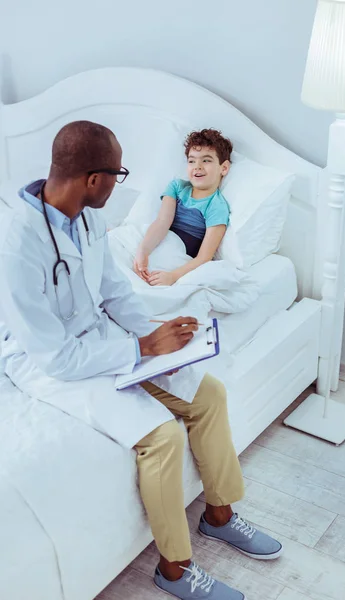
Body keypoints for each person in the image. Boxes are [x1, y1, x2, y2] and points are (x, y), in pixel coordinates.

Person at [0, 121, 282, 600]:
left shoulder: (87, 218)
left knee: (206, 391)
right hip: (47, 362)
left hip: (98, 339)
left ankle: (219, 516)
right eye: (117, 174)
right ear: (93, 179)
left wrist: (155, 336)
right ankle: (174, 568)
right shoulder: (17, 243)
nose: (118, 183)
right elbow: (57, 356)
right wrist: (142, 350)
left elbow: (113, 292)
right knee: (162, 436)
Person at [134, 128, 231, 287]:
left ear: (224, 168)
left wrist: (173, 276)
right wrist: (142, 251)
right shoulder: (177, 187)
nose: (197, 166)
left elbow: (204, 257)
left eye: (206, 160)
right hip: (159, 241)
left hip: (178, 255)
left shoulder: (217, 206)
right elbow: (162, 222)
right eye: (192, 161)